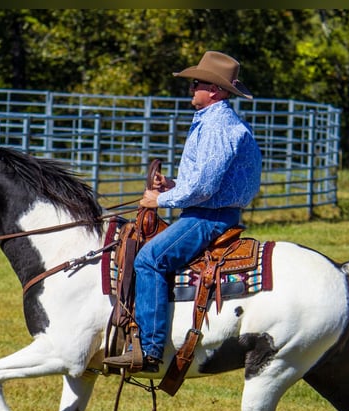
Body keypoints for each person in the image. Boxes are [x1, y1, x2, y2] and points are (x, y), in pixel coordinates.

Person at [104, 51, 262, 374]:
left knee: (149, 259)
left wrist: (158, 201)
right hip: (209, 210)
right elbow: (206, 180)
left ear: (215, 90)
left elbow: (203, 188)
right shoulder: (214, 120)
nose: (192, 88)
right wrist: (173, 185)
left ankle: (148, 350)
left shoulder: (218, 125)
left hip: (207, 218)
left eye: (197, 83)